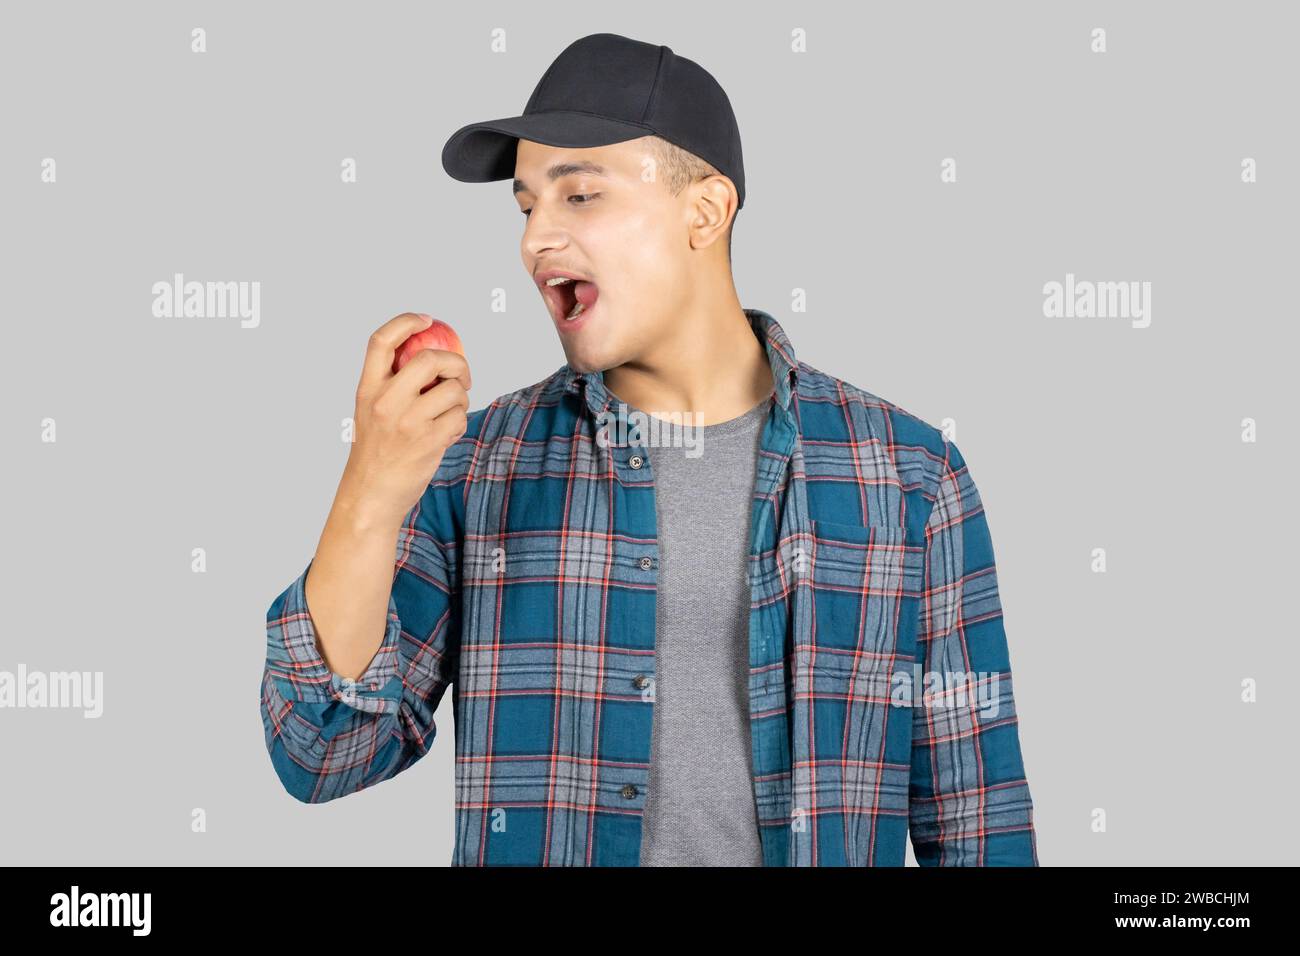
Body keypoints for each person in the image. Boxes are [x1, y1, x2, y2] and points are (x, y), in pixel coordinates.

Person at [260, 32, 1038, 867]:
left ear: (705, 212)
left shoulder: (909, 478)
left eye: (580, 196)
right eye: (526, 207)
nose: (534, 241)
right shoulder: (474, 467)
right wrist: (369, 493)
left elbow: (978, 822)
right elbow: (322, 752)